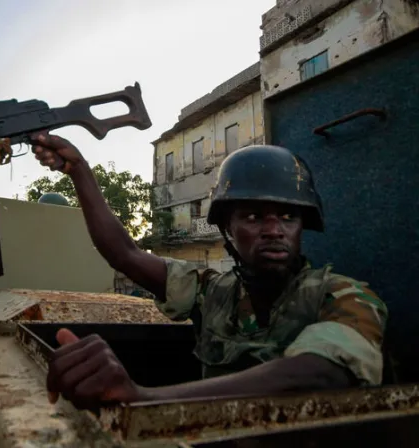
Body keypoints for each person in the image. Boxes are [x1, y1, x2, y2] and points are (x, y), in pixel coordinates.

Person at [29, 132, 388, 411]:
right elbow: (124, 253)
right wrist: (79, 170)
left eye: (288, 216)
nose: (274, 229)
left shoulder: (343, 296)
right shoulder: (211, 291)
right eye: (252, 216)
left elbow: (320, 372)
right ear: (227, 229)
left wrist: (144, 400)